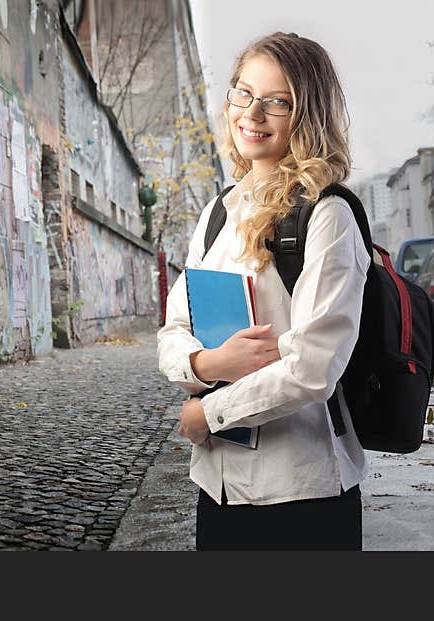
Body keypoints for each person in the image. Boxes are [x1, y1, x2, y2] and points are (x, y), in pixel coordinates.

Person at [156, 32, 370, 550]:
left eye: (277, 101)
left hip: (301, 492)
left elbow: (314, 367)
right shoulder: (216, 213)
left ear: (307, 114)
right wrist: (209, 367)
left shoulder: (327, 215)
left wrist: (206, 413)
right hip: (219, 485)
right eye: (244, 94)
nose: (253, 113)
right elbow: (174, 330)